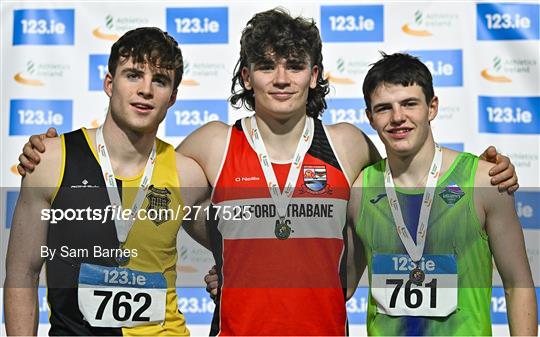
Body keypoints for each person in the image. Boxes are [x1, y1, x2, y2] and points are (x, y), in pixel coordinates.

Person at [15, 9, 519, 336]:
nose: (281, 79)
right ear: (245, 75)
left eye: (295, 65)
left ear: (315, 75)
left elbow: (408, 173)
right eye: (266, 66)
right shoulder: (214, 143)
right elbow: (138, 173)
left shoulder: (346, 145)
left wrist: (491, 166)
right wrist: (52, 152)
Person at [4, 27, 209, 335]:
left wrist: (228, 274)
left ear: (173, 98)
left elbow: (242, 249)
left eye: (160, 81)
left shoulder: (187, 174)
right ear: (109, 83)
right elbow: (22, 274)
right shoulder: (50, 161)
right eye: (133, 75)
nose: (146, 90)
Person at [346, 52, 537, 336]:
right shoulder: (360, 189)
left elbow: (517, 284)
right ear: (370, 117)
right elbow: (343, 287)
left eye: (409, 104)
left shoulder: (485, 180)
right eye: (384, 108)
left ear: (432, 107)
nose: (398, 117)